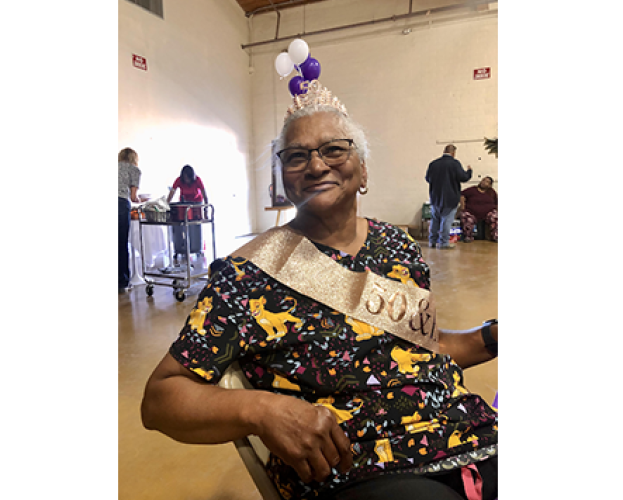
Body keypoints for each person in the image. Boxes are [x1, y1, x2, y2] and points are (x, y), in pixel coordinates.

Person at [141, 82, 499, 500]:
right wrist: (260, 410)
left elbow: (421, 348)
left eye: (333, 149)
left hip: (468, 436)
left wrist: (489, 336)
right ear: (283, 177)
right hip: (361, 469)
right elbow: (160, 399)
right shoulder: (246, 274)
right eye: (297, 156)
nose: (315, 166)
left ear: (363, 170)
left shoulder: (398, 247)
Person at [426, 146, 473, 250]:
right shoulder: (454, 164)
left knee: (435, 220)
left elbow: (428, 178)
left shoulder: (433, 164)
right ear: (453, 153)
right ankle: (444, 243)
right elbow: (463, 178)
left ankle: (432, 242)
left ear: (444, 151)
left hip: (435, 197)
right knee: (446, 221)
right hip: (450, 198)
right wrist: (469, 171)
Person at [167, 165, 209, 259]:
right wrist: (166, 204)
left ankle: (197, 248)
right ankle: (182, 248)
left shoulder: (198, 180)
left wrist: (206, 209)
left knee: (195, 225)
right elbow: (172, 192)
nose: (186, 180)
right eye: (184, 178)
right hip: (184, 203)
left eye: (188, 178)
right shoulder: (178, 180)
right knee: (182, 225)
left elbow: (205, 195)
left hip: (196, 203)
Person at [118, 148, 142, 293]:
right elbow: (133, 197)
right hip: (120, 204)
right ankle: (122, 282)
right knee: (121, 244)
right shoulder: (134, 170)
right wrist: (141, 200)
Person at [460, 177, 499, 243]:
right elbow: (462, 195)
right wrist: (462, 206)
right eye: (483, 180)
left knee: (495, 217)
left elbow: (496, 202)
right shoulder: (472, 189)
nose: (484, 182)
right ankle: (468, 237)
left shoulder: (491, 192)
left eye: (487, 182)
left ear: (490, 185)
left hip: (488, 213)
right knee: (466, 217)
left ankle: (495, 237)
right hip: (471, 212)